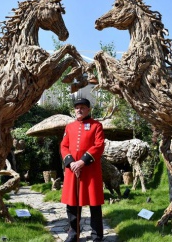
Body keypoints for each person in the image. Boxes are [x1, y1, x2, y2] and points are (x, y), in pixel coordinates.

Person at [61, 98, 105, 242]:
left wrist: (82, 161)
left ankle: (97, 236)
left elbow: (99, 146)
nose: (79, 110)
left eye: (82, 107)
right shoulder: (69, 127)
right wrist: (71, 163)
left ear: (88, 110)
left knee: (94, 204)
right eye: (77, 107)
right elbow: (64, 146)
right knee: (72, 204)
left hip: (90, 170)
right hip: (72, 171)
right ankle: (73, 234)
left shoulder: (97, 126)